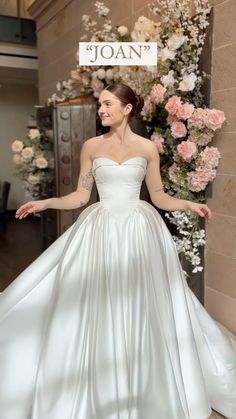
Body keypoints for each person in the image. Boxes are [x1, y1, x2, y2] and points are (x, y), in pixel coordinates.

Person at [0, 83, 235, 419]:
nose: (102, 110)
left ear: (127, 108)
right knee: (97, 298)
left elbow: (158, 196)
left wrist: (189, 204)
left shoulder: (148, 149)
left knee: (141, 300)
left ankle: (142, 379)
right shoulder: (91, 147)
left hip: (140, 230)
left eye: (108, 104)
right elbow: (80, 197)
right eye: (100, 105)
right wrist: (47, 202)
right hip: (101, 229)